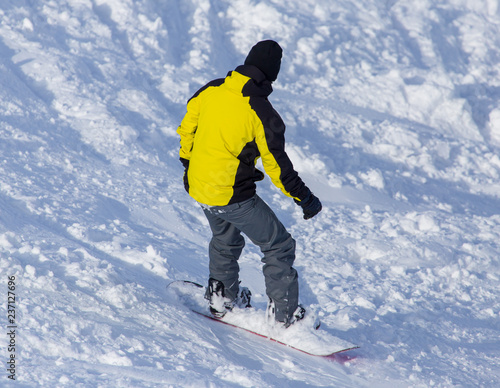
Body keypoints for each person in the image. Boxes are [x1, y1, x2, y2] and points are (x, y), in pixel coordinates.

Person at [176, 40, 322, 327]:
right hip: (231, 194)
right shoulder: (261, 112)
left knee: (224, 239)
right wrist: (304, 198)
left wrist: (189, 164)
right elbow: (278, 168)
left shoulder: (211, 89)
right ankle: (285, 318)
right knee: (278, 245)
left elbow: (187, 130)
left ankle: (221, 298)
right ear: (272, 75)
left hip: (198, 185)